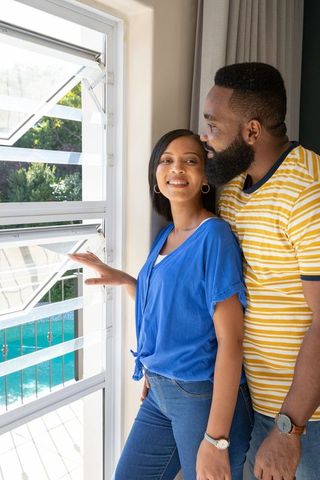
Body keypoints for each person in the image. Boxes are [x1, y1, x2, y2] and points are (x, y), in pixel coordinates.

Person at [70, 129, 253, 480]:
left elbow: (232, 342)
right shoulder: (165, 237)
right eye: (166, 161)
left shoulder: (214, 236)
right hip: (159, 391)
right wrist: (127, 281)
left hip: (200, 395)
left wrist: (216, 440)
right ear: (156, 176)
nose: (177, 169)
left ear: (205, 178)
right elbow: (174, 310)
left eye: (190, 161)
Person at [201, 62, 320, 480]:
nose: (205, 137)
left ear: (252, 131)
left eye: (214, 126)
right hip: (255, 400)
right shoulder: (233, 187)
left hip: (307, 416)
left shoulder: (309, 193)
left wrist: (290, 428)